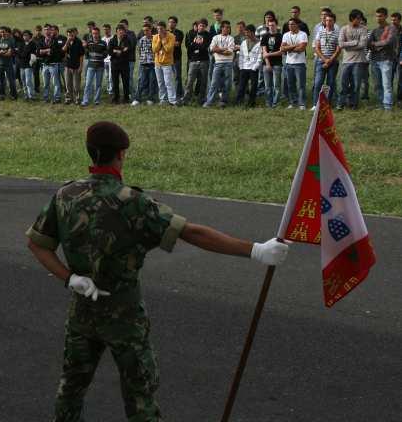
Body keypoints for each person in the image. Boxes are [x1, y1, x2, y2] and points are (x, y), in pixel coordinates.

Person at [26, 121, 289, 422]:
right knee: (140, 394)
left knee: (71, 388)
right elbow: (191, 233)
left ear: (91, 153)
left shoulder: (65, 195)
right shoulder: (133, 203)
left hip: (83, 311)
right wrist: (255, 250)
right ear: (121, 154)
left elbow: (37, 244)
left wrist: (71, 279)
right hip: (124, 315)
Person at [337, 9, 369, 110]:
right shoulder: (344, 29)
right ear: (352, 19)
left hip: (359, 61)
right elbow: (341, 44)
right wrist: (355, 42)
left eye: (360, 18)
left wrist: (348, 45)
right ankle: (341, 103)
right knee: (343, 83)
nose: (360, 20)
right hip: (346, 61)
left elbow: (363, 45)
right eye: (358, 18)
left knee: (356, 84)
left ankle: (353, 103)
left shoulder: (363, 29)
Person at [368, 7, 399, 111]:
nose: (378, 18)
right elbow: (368, 43)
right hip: (374, 60)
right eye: (377, 16)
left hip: (386, 60)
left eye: (380, 16)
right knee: (377, 85)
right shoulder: (375, 30)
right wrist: (374, 45)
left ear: (385, 16)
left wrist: (375, 44)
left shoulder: (391, 28)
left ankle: (387, 106)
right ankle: (381, 104)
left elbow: (388, 42)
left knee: (386, 84)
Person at [312, 12, 340, 109]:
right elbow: (317, 47)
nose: (328, 22)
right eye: (326, 20)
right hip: (321, 60)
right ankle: (316, 104)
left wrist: (330, 60)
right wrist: (324, 59)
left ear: (334, 21)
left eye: (330, 20)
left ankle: (327, 103)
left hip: (333, 62)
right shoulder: (320, 32)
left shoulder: (337, 33)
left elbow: (338, 49)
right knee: (318, 82)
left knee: (330, 82)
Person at [204, 21, 235, 108]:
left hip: (228, 64)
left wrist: (218, 49)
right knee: (214, 83)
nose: (227, 29)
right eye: (225, 27)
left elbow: (229, 52)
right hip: (217, 63)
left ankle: (223, 101)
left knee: (227, 84)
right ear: (221, 28)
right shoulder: (215, 37)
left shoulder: (231, 38)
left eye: (228, 27)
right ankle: (209, 101)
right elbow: (212, 49)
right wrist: (223, 49)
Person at [281, 18, 308, 110]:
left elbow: (301, 49)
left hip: (300, 63)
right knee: (290, 84)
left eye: (292, 24)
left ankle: (302, 104)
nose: (290, 26)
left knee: (301, 85)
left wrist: (288, 48)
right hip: (289, 63)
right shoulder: (285, 35)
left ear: (297, 25)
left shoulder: (303, 34)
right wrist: (295, 46)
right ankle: (293, 102)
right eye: (289, 24)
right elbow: (282, 48)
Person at [183, 19, 210, 106]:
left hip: (204, 61)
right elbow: (189, 47)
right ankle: (186, 98)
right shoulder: (192, 34)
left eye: (203, 26)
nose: (201, 27)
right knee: (190, 81)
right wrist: (196, 45)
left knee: (203, 81)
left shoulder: (208, 35)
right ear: (197, 26)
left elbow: (205, 47)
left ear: (206, 27)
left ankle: (201, 99)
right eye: (200, 25)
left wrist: (196, 45)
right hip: (193, 61)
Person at [152, 21, 177, 106]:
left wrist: (163, 40)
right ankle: (163, 99)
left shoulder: (171, 36)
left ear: (165, 28)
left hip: (167, 63)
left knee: (168, 82)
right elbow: (154, 49)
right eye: (158, 29)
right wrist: (159, 39)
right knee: (161, 83)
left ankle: (172, 101)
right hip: (157, 63)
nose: (159, 30)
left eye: (161, 29)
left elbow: (168, 49)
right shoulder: (155, 37)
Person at [236, 24, 261, 107]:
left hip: (253, 68)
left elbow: (260, 57)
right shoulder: (244, 42)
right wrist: (241, 66)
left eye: (248, 33)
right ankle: (239, 102)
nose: (246, 35)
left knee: (253, 86)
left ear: (253, 32)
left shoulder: (259, 43)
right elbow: (241, 56)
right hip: (244, 68)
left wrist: (255, 67)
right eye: (245, 33)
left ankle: (251, 103)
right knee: (241, 85)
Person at [260, 18, 284, 108]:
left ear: (276, 25)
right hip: (266, 64)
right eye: (269, 25)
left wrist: (269, 54)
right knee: (267, 86)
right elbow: (264, 51)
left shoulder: (281, 36)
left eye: (273, 25)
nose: (271, 27)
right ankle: (268, 102)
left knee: (276, 85)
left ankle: (275, 102)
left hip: (277, 64)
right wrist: (268, 64)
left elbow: (281, 52)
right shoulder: (265, 36)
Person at [131, 24, 156, 106]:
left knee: (152, 82)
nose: (145, 32)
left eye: (147, 30)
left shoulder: (155, 39)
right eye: (144, 30)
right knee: (141, 82)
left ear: (150, 30)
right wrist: (142, 60)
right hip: (143, 64)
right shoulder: (141, 40)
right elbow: (139, 51)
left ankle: (150, 98)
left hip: (152, 64)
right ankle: (137, 99)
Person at [81, 26, 106, 106]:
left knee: (98, 84)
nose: (95, 35)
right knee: (88, 84)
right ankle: (85, 100)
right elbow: (86, 53)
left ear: (99, 34)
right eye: (93, 33)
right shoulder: (89, 43)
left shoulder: (103, 43)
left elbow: (106, 53)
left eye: (96, 33)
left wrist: (100, 56)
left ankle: (97, 100)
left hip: (100, 66)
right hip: (91, 66)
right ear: (92, 34)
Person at [109, 26, 132, 104]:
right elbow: (109, 51)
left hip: (124, 64)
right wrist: (120, 50)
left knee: (125, 81)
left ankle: (126, 98)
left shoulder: (127, 40)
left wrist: (117, 50)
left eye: (122, 31)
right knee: (115, 82)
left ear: (125, 32)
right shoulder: (112, 40)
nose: (121, 32)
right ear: (116, 32)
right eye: (119, 31)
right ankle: (116, 97)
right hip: (114, 64)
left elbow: (128, 50)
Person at [64, 28, 84, 105]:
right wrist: (67, 42)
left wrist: (81, 66)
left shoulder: (78, 42)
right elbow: (63, 50)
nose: (70, 36)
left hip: (76, 66)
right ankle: (69, 98)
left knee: (76, 85)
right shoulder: (67, 42)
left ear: (74, 34)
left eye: (71, 35)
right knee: (68, 84)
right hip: (68, 66)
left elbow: (81, 55)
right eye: (68, 35)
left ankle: (77, 98)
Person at [167, 16, 184, 101]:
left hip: (176, 58)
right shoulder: (165, 32)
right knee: (168, 77)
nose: (171, 23)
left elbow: (177, 44)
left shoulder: (179, 33)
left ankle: (178, 94)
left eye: (173, 22)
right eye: (169, 22)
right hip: (167, 58)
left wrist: (167, 44)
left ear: (176, 23)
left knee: (177, 76)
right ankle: (169, 94)